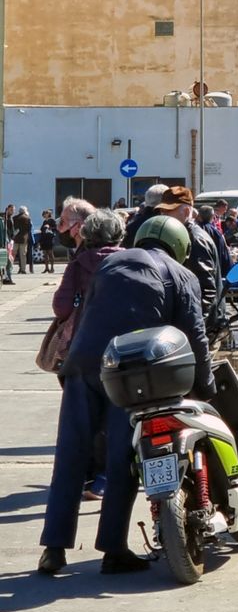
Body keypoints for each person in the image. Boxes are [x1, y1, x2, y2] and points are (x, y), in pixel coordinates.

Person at [38, 214, 215, 575]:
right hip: (132, 375)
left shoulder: (112, 263)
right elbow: (196, 340)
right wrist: (207, 389)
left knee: (71, 455)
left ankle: (53, 550)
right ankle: (113, 549)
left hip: (84, 366)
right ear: (181, 246)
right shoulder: (183, 276)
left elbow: (87, 313)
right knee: (122, 462)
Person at [51, 209, 126, 498]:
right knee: (115, 412)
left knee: (83, 416)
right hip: (122, 347)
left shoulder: (78, 264)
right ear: (119, 234)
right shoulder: (129, 260)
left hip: (83, 347)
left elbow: (61, 308)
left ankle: (88, 475)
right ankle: (106, 476)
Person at [153, 186, 222, 331]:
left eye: (168, 211)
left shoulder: (195, 239)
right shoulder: (179, 235)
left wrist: (197, 328)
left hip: (200, 327)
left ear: (185, 211)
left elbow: (206, 290)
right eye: (162, 211)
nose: (162, 215)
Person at [196, 205, 232, 279]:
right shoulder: (216, 233)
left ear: (199, 216)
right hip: (214, 272)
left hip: (196, 272)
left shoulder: (193, 231)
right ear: (212, 216)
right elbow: (224, 256)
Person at [12, 206, 33, 274]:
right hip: (24, 239)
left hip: (15, 238)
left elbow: (12, 228)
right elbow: (29, 229)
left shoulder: (14, 218)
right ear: (25, 211)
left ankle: (10, 268)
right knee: (23, 255)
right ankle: (23, 269)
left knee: (13, 254)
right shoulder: (27, 218)